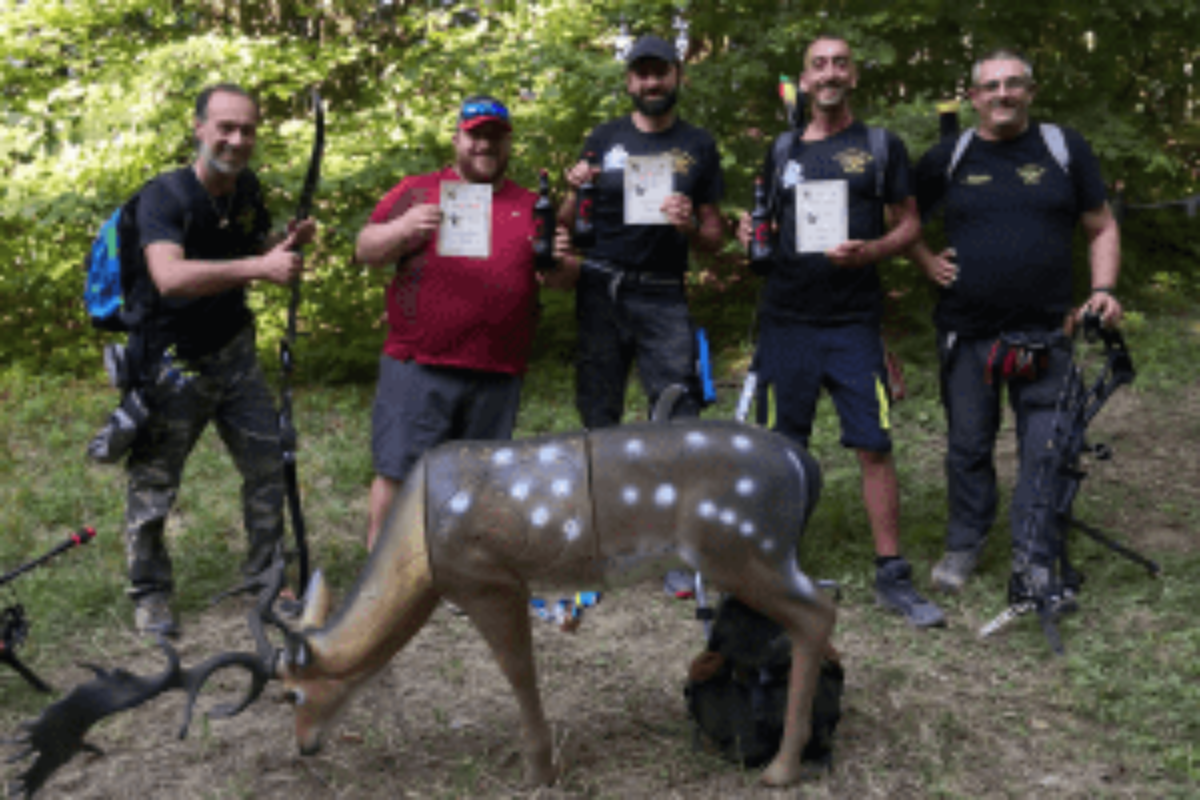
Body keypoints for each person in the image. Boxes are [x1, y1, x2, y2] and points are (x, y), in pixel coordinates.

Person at [736, 35, 945, 628]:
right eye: (818, 65)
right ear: (804, 81)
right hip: (786, 322)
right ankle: (775, 566)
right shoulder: (781, 150)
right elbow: (764, 227)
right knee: (782, 450)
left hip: (853, 324)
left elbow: (909, 224)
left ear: (853, 76)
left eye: (840, 64)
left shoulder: (880, 146)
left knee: (874, 445)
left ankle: (892, 574)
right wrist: (752, 233)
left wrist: (871, 251)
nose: (829, 73)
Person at [908, 49, 1122, 603]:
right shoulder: (948, 156)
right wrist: (926, 259)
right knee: (968, 446)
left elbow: (1100, 225)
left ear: (1029, 90)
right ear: (975, 96)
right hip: (967, 333)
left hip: (1048, 333)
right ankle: (965, 541)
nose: (1002, 93)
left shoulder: (1062, 148)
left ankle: (1035, 553)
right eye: (991, 86)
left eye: (1014, 84)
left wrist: (1101, 290)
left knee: (1048, 447)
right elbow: (901, 218)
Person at [128, 83, 318, 638]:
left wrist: (283, 245)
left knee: (268, 468)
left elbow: (253, 250)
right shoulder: (163, 196)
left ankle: (267, 581)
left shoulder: (247, 189)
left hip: (234, 355)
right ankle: (150, 594)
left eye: (248, 130)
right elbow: (169, 277)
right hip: (170, 363)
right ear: (199, 128)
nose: (237, 140)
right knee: (154, 484)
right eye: (225, 128)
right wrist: (258, 269)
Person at [356, 95, 577, 551]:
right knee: (398, 473)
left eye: (494, 137)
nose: (484, 146)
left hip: (496, 372)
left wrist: (557, 262)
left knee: (477, 485)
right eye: (475, 135)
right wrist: (403, 230)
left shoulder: (532, 205)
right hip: (418, 363)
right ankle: (380, 581)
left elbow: (564, 279)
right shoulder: (418, 191)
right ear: (457, 138)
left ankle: (459, 578)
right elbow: (365, 249)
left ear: (508, 143)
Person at [559, 34, 726, 431]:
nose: (652, 83)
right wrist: (573, 188)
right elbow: (565, 223)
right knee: (598, 411)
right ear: (630, 82)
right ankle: (607, 492)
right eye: (642, 74)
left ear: (677, 76)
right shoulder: (604, 138)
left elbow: (715, 239)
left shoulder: (699, 143)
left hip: (664, 292)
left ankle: (673, 492)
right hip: (600, 287)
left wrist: (690, 227)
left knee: (678, 409)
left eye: (660, 73)